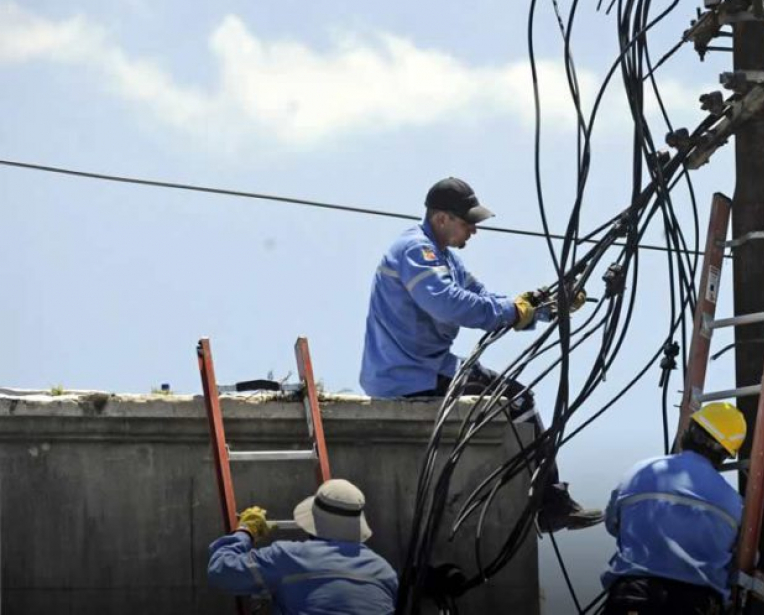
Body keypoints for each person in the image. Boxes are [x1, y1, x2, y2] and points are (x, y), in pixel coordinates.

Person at [359, 176, 601, 532]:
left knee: (515, 397)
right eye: (467, 221)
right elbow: (449, 304)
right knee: (518, 400)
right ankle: (548, 501)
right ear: (441, 218)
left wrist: (546, 307)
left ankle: (545, 499)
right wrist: (513, 311)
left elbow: (486, 299)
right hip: (410, 374)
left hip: (426, 368)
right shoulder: (417, 250)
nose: (474, 230)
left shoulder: (444, 259)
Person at [601, 403, 749, 615]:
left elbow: (613, 524)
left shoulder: (639, 473)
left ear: (688, 432)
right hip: (694, 604)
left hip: (632, 597)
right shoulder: (734, 503)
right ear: (725, 454)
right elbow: (740, 560)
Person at [207, 478, 398, 614]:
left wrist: (245, 531)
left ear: (313, 522)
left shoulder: (288, 557)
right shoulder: (384, 571)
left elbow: (221, 570)